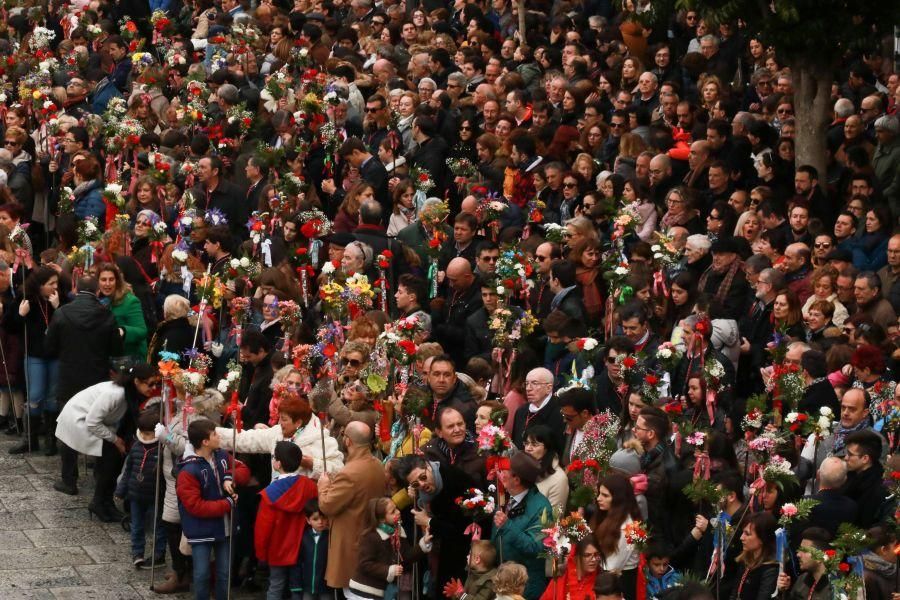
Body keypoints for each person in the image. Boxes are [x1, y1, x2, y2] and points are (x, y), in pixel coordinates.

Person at [54, 363, 159, 517]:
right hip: (79, 420)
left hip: (95, 421)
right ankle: (99, 502)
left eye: (156, 383)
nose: (154, 388)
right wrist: (115, 439)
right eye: (150, 384)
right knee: (111, 456)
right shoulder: (115, 394)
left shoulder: (130, 392)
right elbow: (92, 421)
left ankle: (105, 501)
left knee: (115, 457)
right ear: (137, 381)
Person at [177, 419, 251, 600]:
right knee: (202, 576)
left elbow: (243, 470)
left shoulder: (222, 456)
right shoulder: (188, 471)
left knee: (224, 574)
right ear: (205, 441)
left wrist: (229, 477)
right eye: (215, 434)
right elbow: (195, 506)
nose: (219, 437)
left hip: (225, 527)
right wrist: (228, 504)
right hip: (201, 530)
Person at [317, 421, 387, 592]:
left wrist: (323, 486)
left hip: (351, 543)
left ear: (348, 441)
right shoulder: (378, 464)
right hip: (370, 538)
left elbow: (327, 506)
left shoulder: (349, 473)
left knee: (353, 594)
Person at [45, 276, 122, 410]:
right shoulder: (107, 315)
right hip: (97, 378)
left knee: (68, 423)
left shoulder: (61, 313)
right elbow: (116, 350)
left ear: (75, 290)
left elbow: (49, 347)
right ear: (97, 291)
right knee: (93, 422)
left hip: (68, 379)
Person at [254, 441, 319, 600]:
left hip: (277, 550)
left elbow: (263, 529)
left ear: (277, 464)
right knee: (297, 588)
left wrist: (261, 554)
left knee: (276, 586)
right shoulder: (310, 486)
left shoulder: (268, 494)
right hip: (303, 547)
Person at [492, 452, 551, 600]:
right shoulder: (506, 496)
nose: (502, 473)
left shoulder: (542, 508)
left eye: (506, 471)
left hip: (524, 588)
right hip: (504, 581)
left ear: (516, 480)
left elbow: (536, 548)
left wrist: (507, 526)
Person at [348, 496, 433, 600]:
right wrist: (388, 570)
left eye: (396, 508)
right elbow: (365, 564)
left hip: (378, 591)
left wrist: (423, 544)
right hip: (362, 590)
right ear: (382, 519)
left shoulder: (398, 531)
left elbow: (405, 557)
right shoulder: (371, 536)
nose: (398, 512)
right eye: (393, 512)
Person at [114, 408, 167, 568]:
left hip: (155, 496)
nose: (144, 437)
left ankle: (159, 553)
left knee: (159, 526)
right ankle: (137, 552)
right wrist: (121, 491)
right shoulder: (136, 447)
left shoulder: (163, 448)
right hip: (135, 495)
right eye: (143, 433)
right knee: (137, 525)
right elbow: (128, 471)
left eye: (149, 434)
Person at [774, 527, 832, 600]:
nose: (798, 554)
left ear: (819, 556)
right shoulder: (802, 580)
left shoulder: (836, 587)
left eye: (804, 550)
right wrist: (782, 592)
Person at [731, 512, 779, 600]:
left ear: (762, 539)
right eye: (743, 533)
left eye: (747, 534)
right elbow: (734, 594)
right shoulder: (745, 561)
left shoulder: (770, 570)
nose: (741, 537)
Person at [297, 499, 331, 600]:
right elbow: (298, 562)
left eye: (323, 518)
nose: (320, 522)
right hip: (307, 586)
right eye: (315, 519)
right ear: (308, 520)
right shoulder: (303, 537)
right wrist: (296, 584)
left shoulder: (331, 537)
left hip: (326, 587)